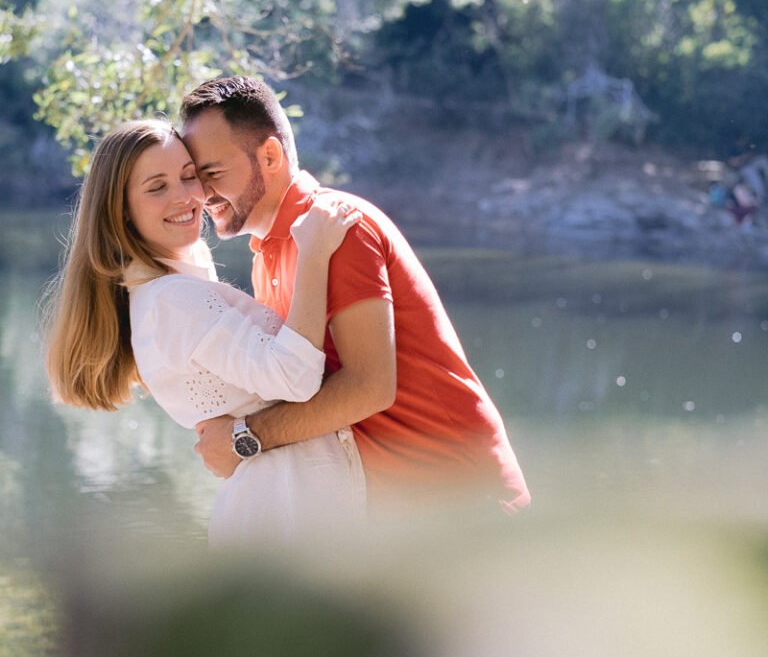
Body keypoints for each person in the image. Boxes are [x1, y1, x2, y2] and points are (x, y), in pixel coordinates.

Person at [182, 76, 530, 513]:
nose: (201, 193)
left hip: (463, 502)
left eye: (212, 173)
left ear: (269, 155)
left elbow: (369, 388)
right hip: (397, 516)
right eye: (195, 178)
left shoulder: (341, 228)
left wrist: (244, 438)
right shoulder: (266, 255)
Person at [45, 119, 366, 544]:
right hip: (290, 521)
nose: (185, 197)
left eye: (189, 176)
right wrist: (314, 250)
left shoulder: (166, 292)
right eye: (156, 187)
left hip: (287, 512)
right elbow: (297, 376)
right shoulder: (173, 301)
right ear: (120, 209)